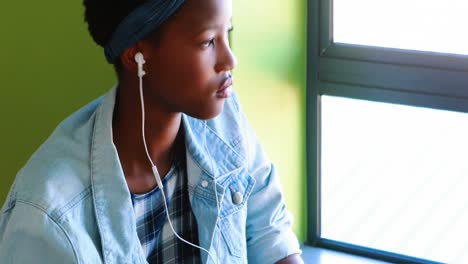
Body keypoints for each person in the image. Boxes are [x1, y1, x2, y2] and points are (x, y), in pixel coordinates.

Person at [0, 0, 303, 263]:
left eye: (228, 33)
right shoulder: (49, 215)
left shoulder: (224, 119)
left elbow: (270, 235)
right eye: (208, 41)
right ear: (138, 57)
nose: (230, 61)